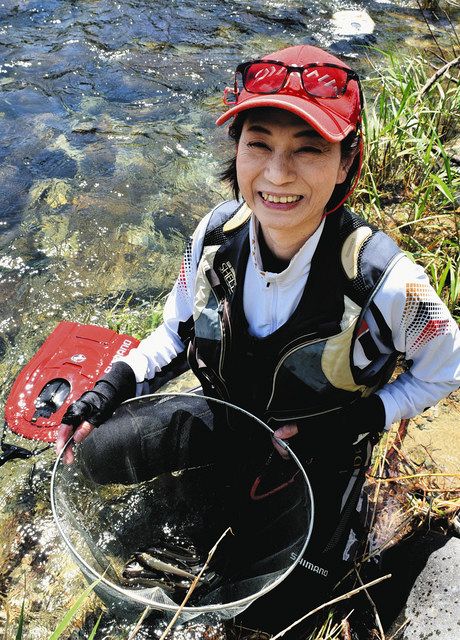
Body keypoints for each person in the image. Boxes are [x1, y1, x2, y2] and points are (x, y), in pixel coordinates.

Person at [56, 44, 460, 635]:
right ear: (237, 150)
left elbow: (443, 371)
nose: (276, 174)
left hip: (319, 458)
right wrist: (114, 384)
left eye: (309, 149)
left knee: (274, 610)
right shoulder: (215, 236)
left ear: (347, 163)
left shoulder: (391, 284)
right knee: (88, 456)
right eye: (259, 143)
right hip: (223, 420)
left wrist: (356, 420)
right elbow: (176, 330)